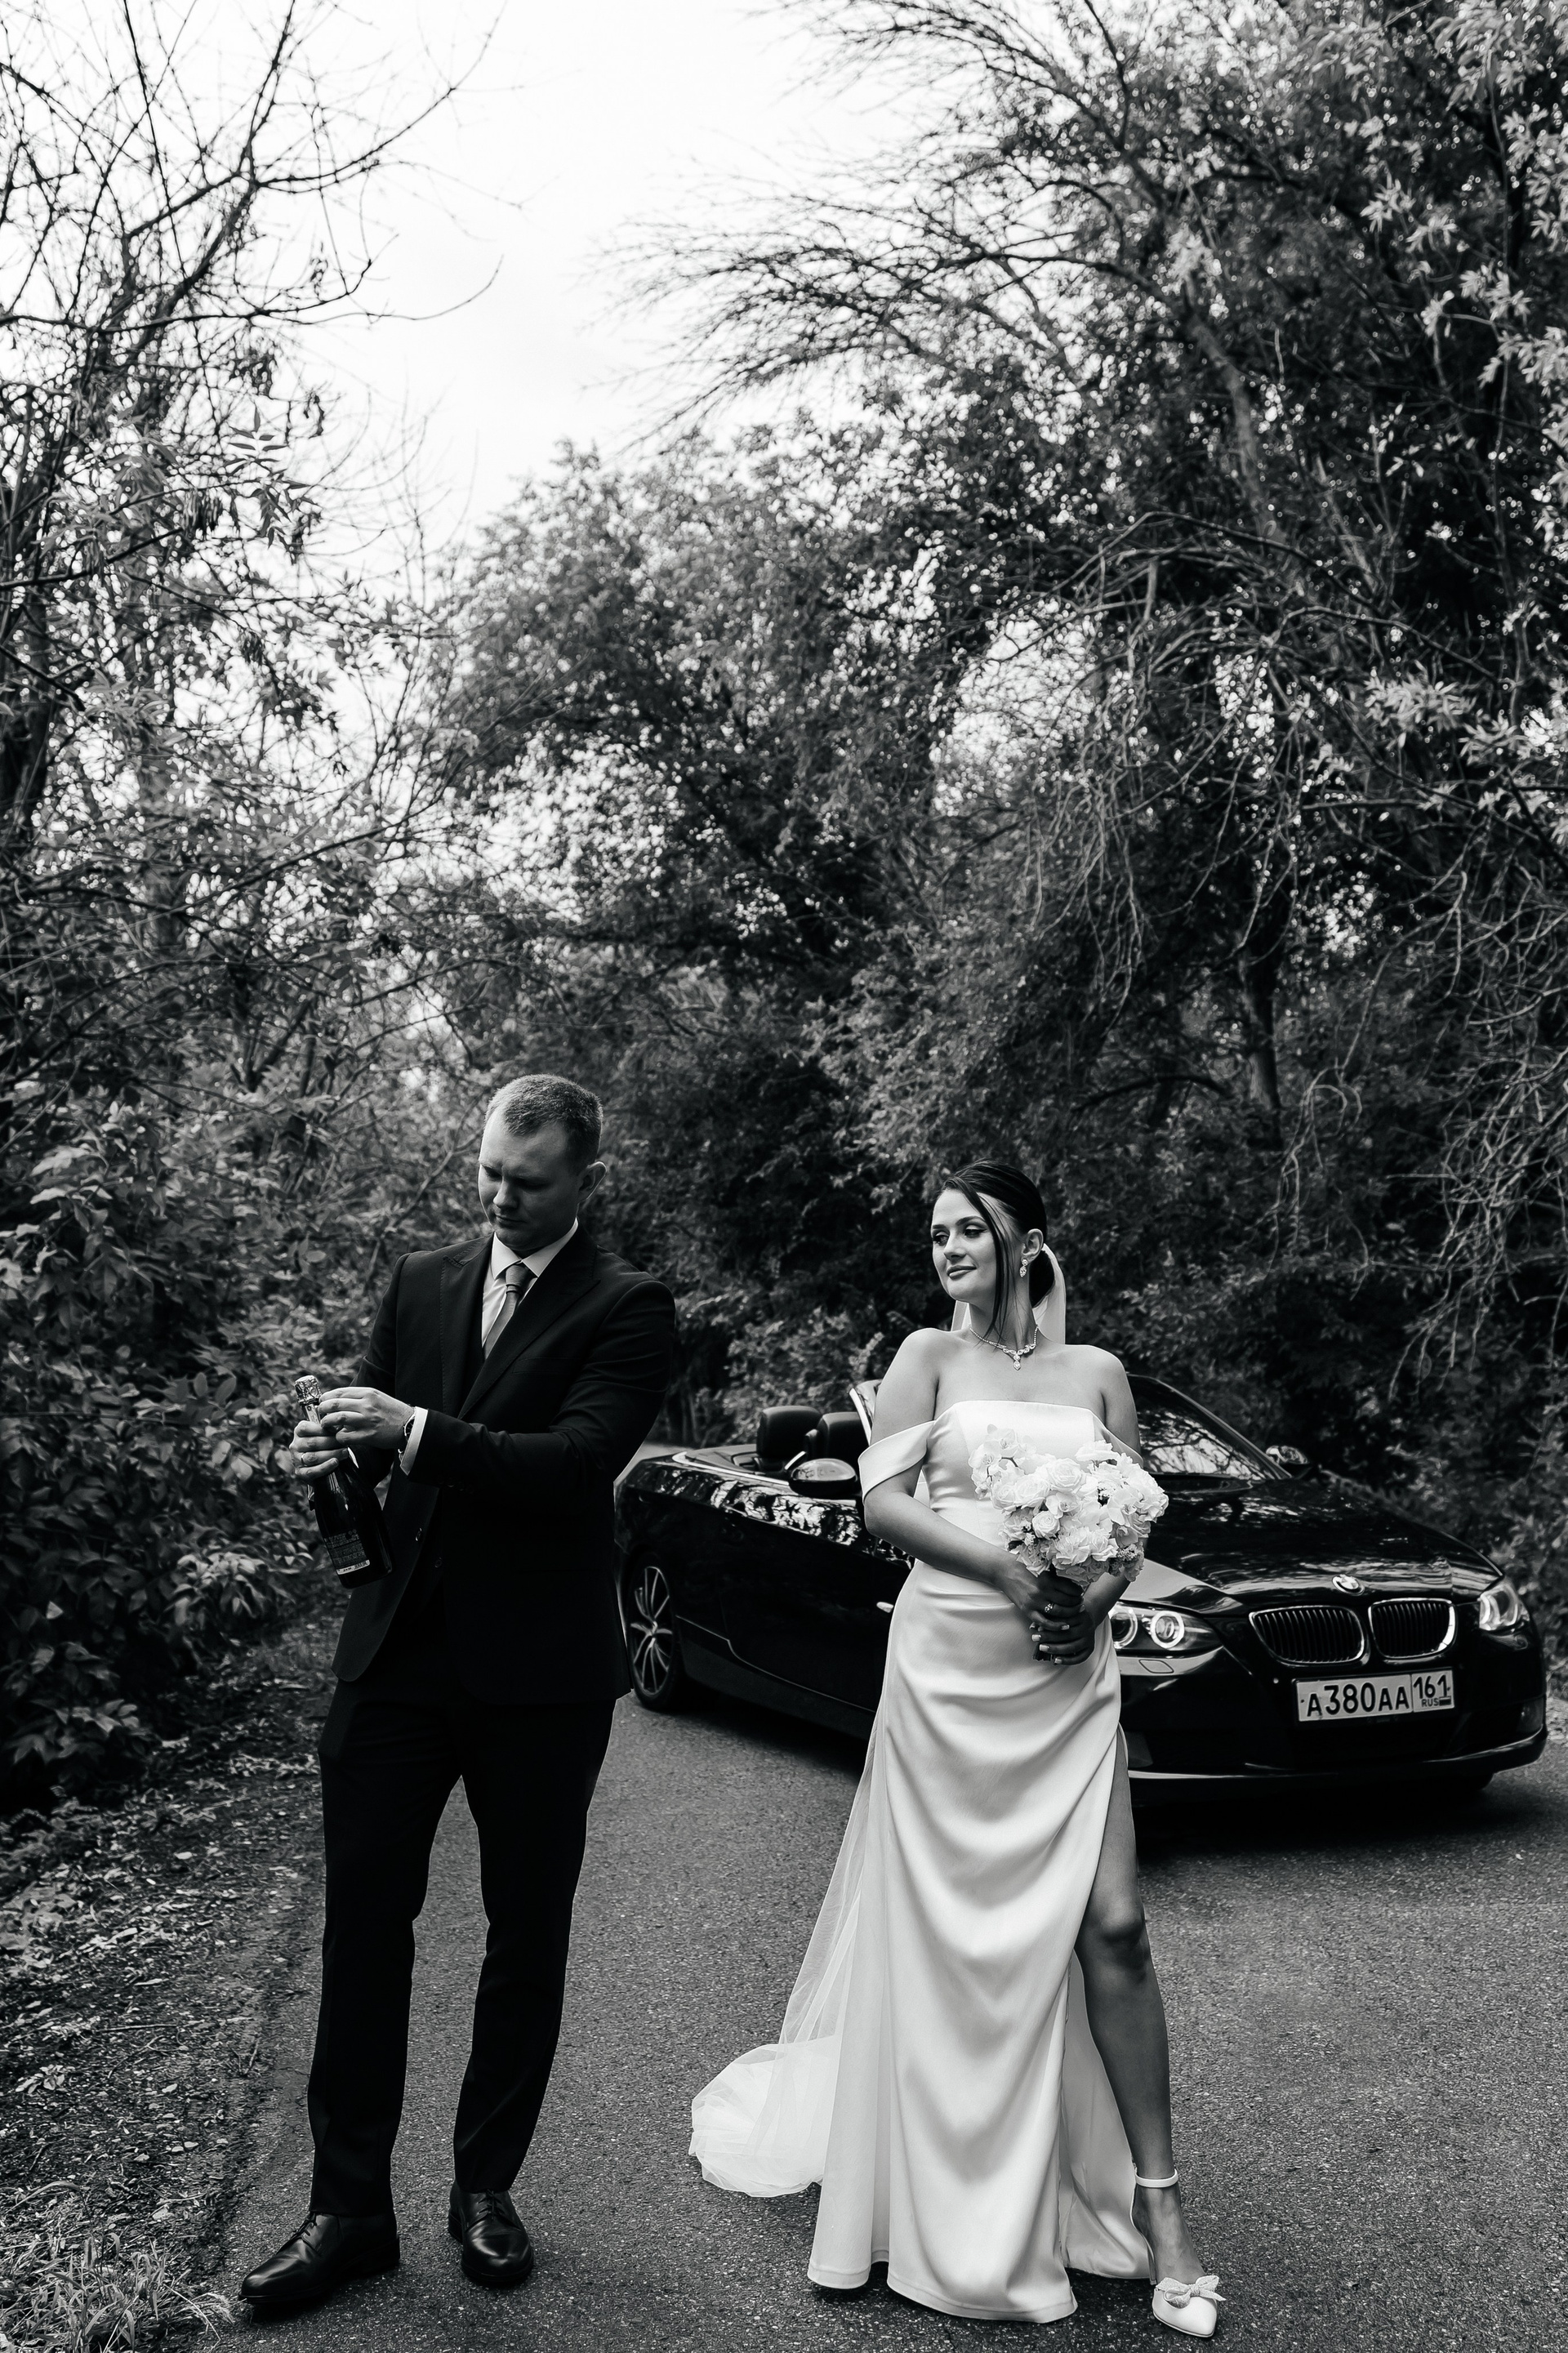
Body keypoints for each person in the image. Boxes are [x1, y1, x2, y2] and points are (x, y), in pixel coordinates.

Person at [690, 1161, 1222, 2336]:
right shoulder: (926, 1356)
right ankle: (944, 2196)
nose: (948, 1249)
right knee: (945, 1945)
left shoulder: (1099, 1374)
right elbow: (884, 1504)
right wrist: (1006, 1569)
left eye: (968, 1228)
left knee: (1115, 1925)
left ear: (1025, 1239)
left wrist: (1090, 1601)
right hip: (947, 1672)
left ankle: (1163, 2208)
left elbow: (1129, 1524)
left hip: (1066, 1673)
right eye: (937, 1234)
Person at [241, 1075, 675, 2315]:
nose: (497, 1197)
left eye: (525, 1182)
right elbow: (376, 1434)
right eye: (487, 1171)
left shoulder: (629, 1305)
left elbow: (576, 1464)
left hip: (539, 1678)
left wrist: (415, 1430)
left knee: (524, 1934)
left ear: (584, 1181)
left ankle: (485, 2188)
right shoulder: (422, 1278)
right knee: (363, 1931)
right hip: (394, 1657)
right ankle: (346, 2211)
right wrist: (328, 1451)